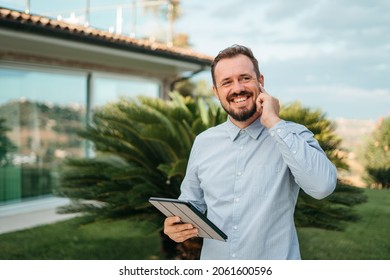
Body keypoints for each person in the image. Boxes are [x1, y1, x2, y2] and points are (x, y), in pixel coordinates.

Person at [164, 44, 337, 259]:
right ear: (216, 92)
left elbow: (322, 187)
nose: (237, 88)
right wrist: (176, 225)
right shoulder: (203, 142)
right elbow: (192, 203)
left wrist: (274, 122)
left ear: (260, 82)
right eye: (227, 82)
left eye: (245, 78)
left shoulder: (292, 135)